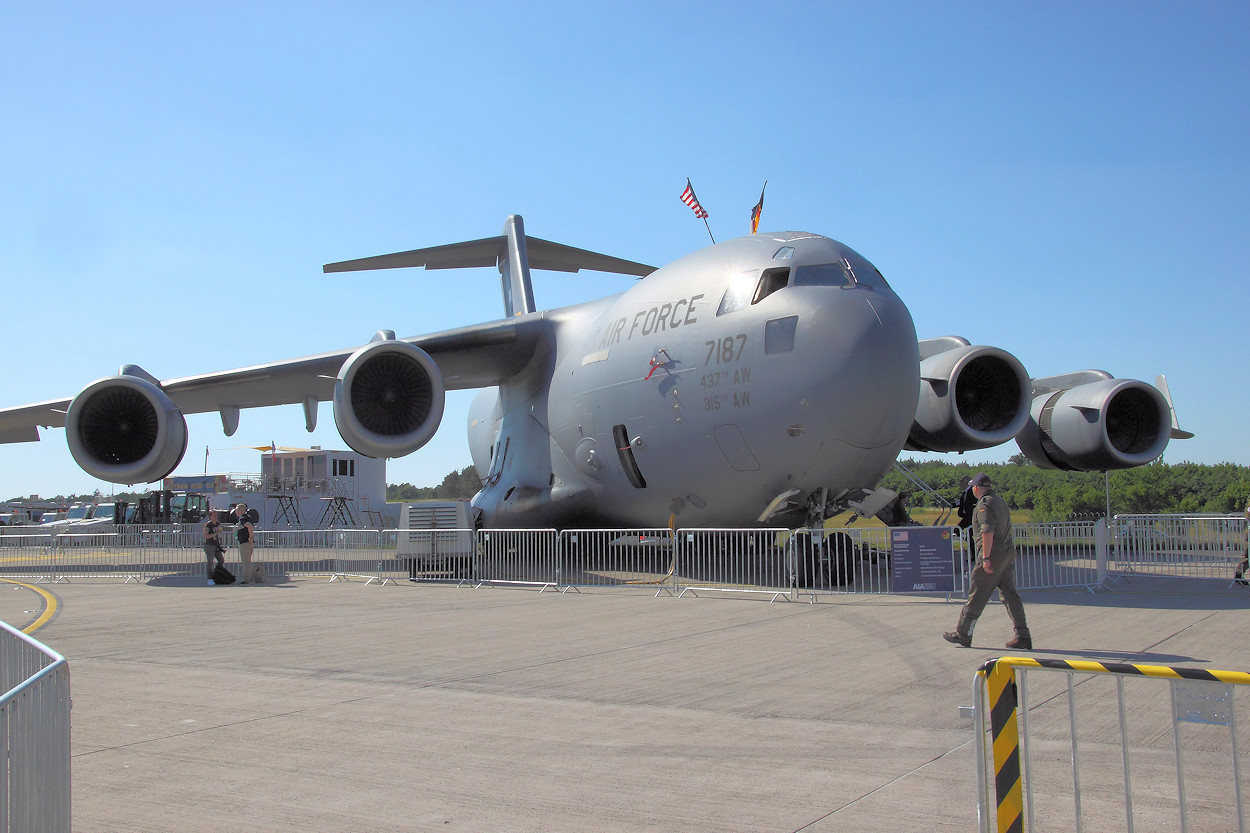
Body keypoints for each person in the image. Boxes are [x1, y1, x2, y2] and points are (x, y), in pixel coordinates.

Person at [943, 473, 1032, 650]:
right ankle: (1023, 635)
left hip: (993, 556)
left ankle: (963, 634)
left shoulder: (984, 504)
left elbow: (987, 531)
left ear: (976, 488)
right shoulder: (999, 501)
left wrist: (986, 557)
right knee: (1010, 596)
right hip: (1007, 554)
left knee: (977, 594)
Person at [233, 503, 260, 584]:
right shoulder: (249, 517)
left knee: (246, 562)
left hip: (245, 542)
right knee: (248, 561)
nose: (236, 512)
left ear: (241, 510)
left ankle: (247, 579)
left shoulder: (242, 518)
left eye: (237, 510)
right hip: (249, 542)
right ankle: (251, 577)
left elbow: (249, 526)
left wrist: (250, 537)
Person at [955, 475, 976, 559]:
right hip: (966, 517)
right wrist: (950, 505)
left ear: (966, 483)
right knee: (956, 530)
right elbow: (960, 502)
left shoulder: (972, 492)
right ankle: (967, 540)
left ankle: (974, 554)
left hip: (971, 517)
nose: (961, 484)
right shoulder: (965, 493)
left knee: (971, 535)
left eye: (962, 482)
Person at [202, 509, 225, 584]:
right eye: (214, 515)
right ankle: (209, 577)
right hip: (209, 545)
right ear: (210, 516)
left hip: (216, 545)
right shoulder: (208, 525)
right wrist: (215, 534)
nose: (216, 516)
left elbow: (220, 531)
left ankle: (216, 572)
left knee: (221, 560)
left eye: (216, 515)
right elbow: (205, 535)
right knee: (210, 562)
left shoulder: (218, 524)